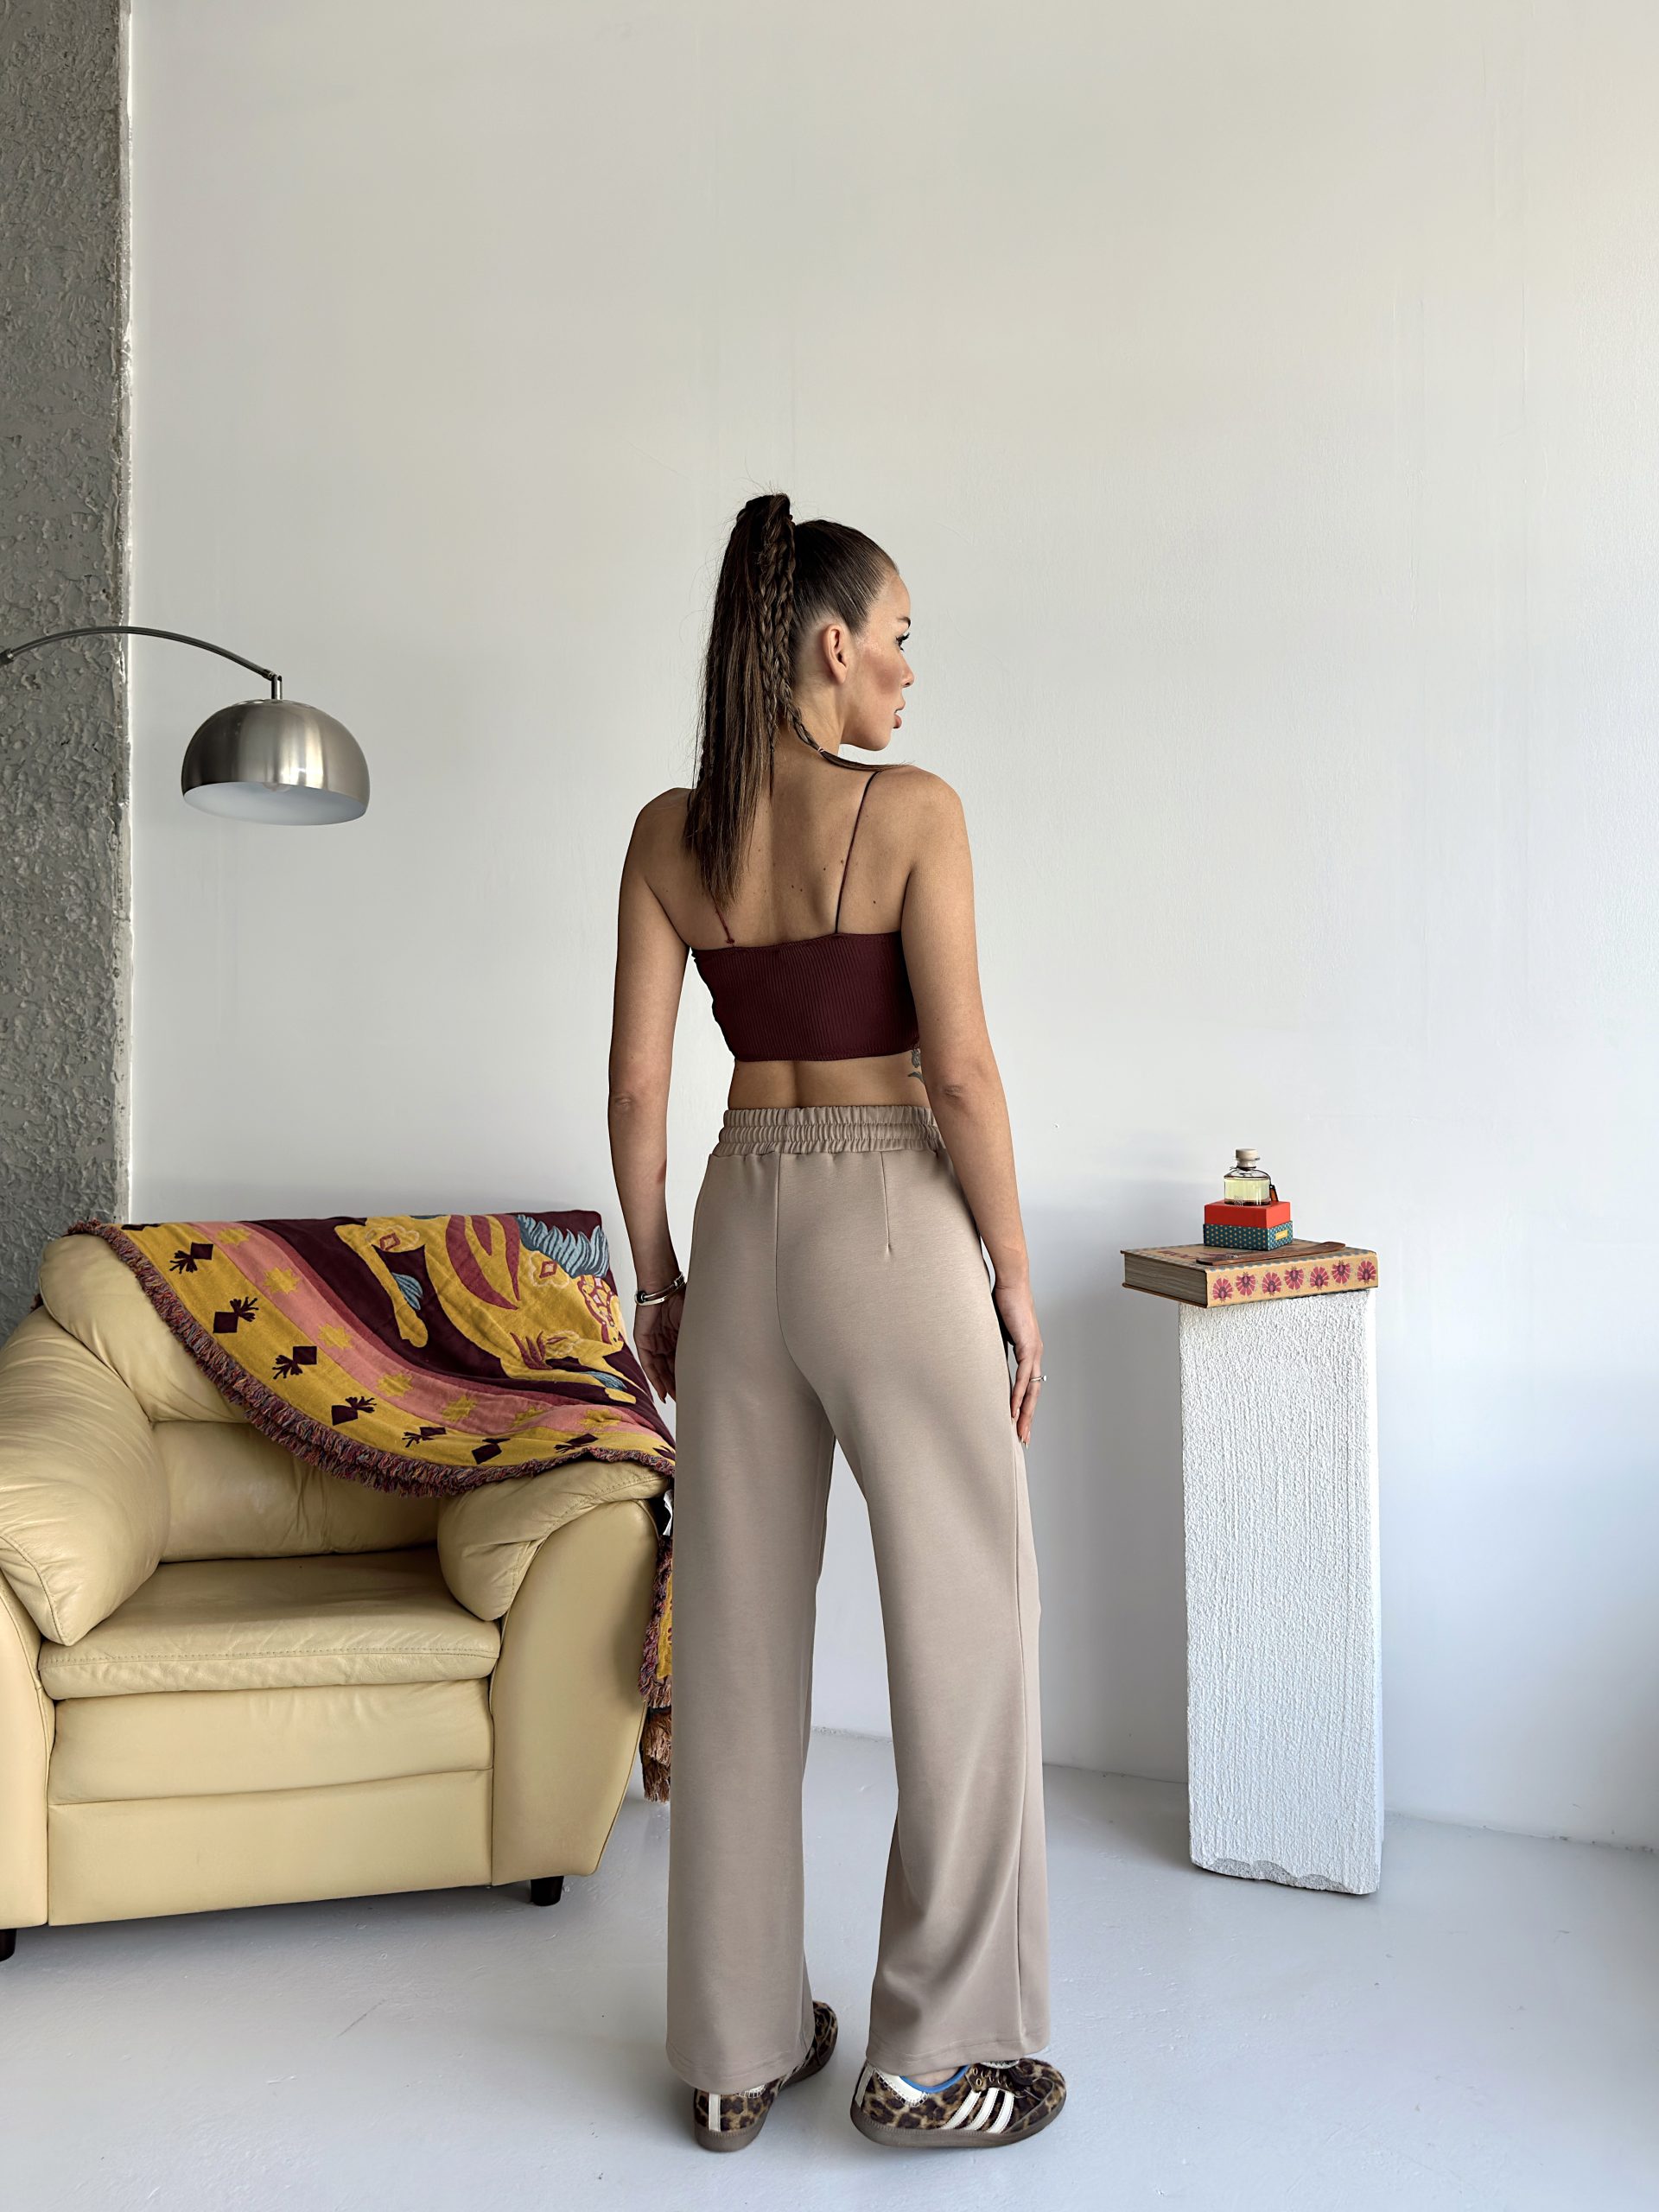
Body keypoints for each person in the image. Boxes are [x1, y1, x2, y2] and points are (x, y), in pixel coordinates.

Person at [607, 490, 1063, 2153]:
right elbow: (962, 1073)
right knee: (968, 1620)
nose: (909, 674)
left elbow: (638, 1086)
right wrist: (1012, 1270)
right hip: (892, 1214)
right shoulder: (915, 812)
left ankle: (733, 2048)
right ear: (828, 644)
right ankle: (932, 2056)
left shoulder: (670, 833)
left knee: (730, 1639)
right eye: (900, 641)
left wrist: (660, 1278)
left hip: (742, 1219)